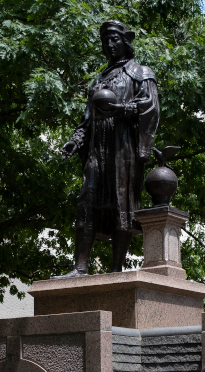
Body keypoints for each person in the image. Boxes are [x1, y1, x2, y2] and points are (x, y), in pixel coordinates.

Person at [58, 20, 160, 277]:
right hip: (97, 150)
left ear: (125, 41)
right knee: (87, 201)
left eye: (114, 39)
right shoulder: (99, 79)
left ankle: (116, 269)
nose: (109, 45)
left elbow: (151, 107)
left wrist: (122, 110)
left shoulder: (140, 73)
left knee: (120, 205)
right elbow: (88, 119)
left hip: (123, 150)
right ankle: (80, 267)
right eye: (105, 41)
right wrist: (77, 140)